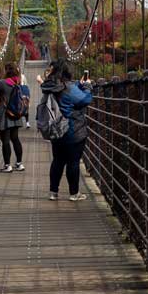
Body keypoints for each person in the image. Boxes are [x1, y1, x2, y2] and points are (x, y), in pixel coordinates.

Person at [40, 58, 93, 201]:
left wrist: (79, 86)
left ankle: (53, 192)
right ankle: (74, 193)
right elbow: (84, 100)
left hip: (56, 130)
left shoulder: (49, 86)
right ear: (68, 71)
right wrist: (87, 87)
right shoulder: (69, 87)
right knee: (73, 162)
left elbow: (68, 97)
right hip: (73, 130)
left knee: (57, 161)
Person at [0, 63, 25, 173]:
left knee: (5, 140)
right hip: (15, 114)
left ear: (6, 71)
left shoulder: (2, 83)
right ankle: (19, 164)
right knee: (15, 139)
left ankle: (7, 165)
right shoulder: (17, 82)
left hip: (4, 114)